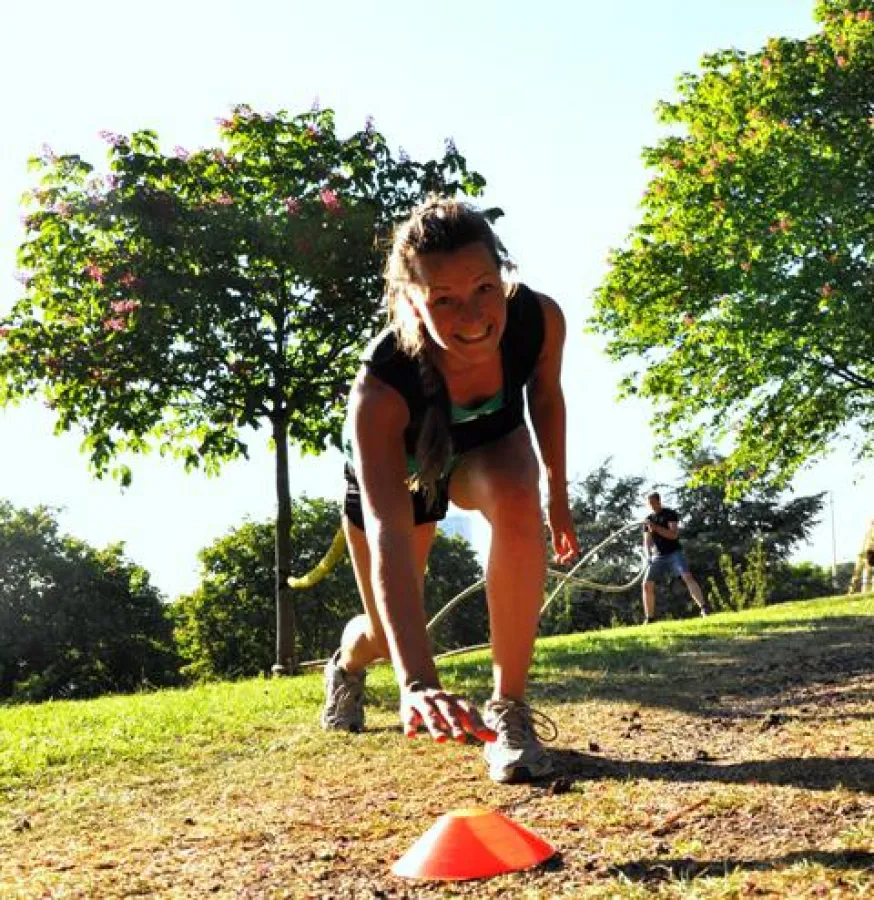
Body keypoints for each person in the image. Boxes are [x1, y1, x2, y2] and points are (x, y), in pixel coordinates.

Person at [320, 198, 579, 783]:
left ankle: (509, 709)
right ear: (413, 300)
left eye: (484, 287)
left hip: (484, 448)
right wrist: (416, 685)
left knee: (518, 491)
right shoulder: (382, 388)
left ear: (502, 273)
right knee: (388, 636)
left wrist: (557, 499)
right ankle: (347, 663)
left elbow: (544, 398)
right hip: (399, 477)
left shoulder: (538, 320)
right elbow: (387, 532)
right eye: (444, 299)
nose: (472, 315)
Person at [641, 491, 708, 623]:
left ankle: (704, 608)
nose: (652, 506)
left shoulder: (669, 514)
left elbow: (673, 535)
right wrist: (648, 555)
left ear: (659, 501)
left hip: (674, 553)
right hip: (658, 556)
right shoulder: (648, 520)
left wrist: (656, 527)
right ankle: (650, 618)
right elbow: (647, 541)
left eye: (654, 502)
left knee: (687, 577)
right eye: (649, 504)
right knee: (646, 584)